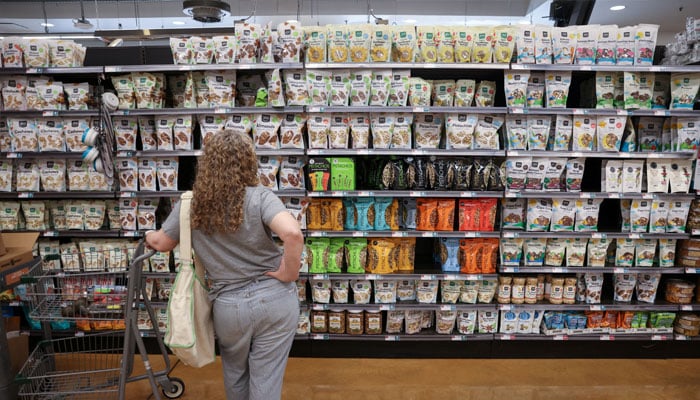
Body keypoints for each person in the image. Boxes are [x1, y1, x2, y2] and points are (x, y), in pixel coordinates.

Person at [145, 130, 303, 400]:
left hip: (230, 306)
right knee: (266, 377)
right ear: (248, 161)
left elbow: (161, 243)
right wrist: (288, 273)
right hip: (275, 299)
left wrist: (148, 235)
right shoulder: (260, 197)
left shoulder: (191, 203)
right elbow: (292, 234)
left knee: (235, 374)